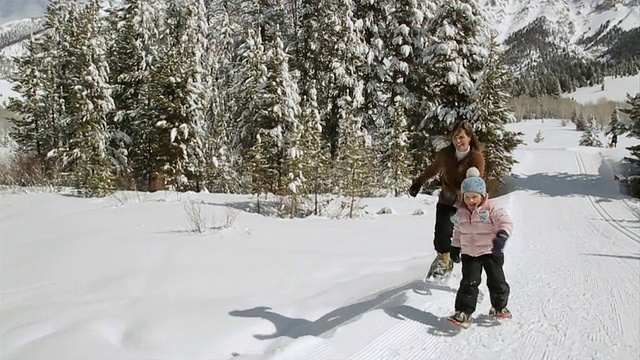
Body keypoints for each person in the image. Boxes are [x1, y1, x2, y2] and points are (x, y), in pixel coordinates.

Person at [408, 121, 485, 281]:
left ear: (469, 138)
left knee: (467, 238)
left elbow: (477, 183)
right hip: (447, 200)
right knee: (441, 235)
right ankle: (444, 260)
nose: (458, 141)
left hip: (467, 203)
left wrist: (474, 201)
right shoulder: (446, 154)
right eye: (455, 137)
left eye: (461, 137)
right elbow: (433, 169)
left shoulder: (476, 157)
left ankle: (471, 276)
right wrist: (418, 183)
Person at [447, 167, 513, 327]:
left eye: (474, 197)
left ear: (482, 195)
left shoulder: (491, 208)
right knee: (469, 283)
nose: (470, 201)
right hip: (470, 254)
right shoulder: (461, 212)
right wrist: (455, 247)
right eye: (467, 197)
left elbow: (506, 222)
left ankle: (499, 307)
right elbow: (458, 231)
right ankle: (463, 312)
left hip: (491, 252)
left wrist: (502, 236)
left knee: (497, 282)